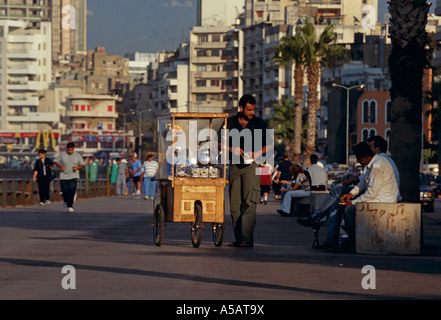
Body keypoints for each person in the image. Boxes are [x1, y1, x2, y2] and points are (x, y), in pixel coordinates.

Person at [319, 141, 399, 252]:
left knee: (349, 211)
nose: (358, 162)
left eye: (359, 159)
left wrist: (352, 202)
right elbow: (363, 183)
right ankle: (332, 241)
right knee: (337, 205)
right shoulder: (372, 164)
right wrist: (351, 194)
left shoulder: (377, 166)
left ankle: (354, 240)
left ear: (366, 156)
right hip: (376, 198)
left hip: (383, 200)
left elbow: (371, 193)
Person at [222, 94, 269, 248]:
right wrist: (231, 148)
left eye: (253, 109)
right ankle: (239, 238)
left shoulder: (259, 123)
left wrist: (257, 153)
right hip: (234, 166)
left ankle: (246, 239)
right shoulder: (229, 122)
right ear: (241, 108)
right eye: (249, 109)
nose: (252, 112)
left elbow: (269, 145)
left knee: (250, 202)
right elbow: (216, 143)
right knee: (235, 205)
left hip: (252, 166)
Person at [54, 142, 85, 213]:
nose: (70, 151)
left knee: (72, 189)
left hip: (74, 175)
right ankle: (65, 200)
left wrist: (77, 168)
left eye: (71, 150)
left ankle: (70, 206)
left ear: (73, 149)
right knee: (64, 191)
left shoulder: (77, 155)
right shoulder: (62, 154)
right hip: (64, 176)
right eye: (69, 150)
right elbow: (56, 161)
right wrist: (61, 166)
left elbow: (82, 164)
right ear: (67, 149)